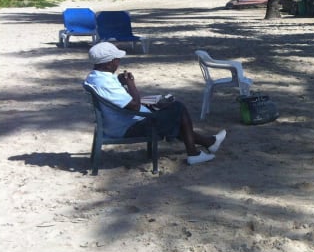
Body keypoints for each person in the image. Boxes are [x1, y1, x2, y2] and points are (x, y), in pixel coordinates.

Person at [84, 41, 226, 165]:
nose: (118, 62)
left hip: (119, 123)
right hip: (128, 127)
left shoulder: (95, 77)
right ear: (108, 63)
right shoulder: (106, 82)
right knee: (178, 108)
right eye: (117, 59)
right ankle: (194, 153)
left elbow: (118, 101)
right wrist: (131, 84)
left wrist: (122, 83)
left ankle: (209, 142)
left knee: (170, 111)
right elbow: (135, 106)